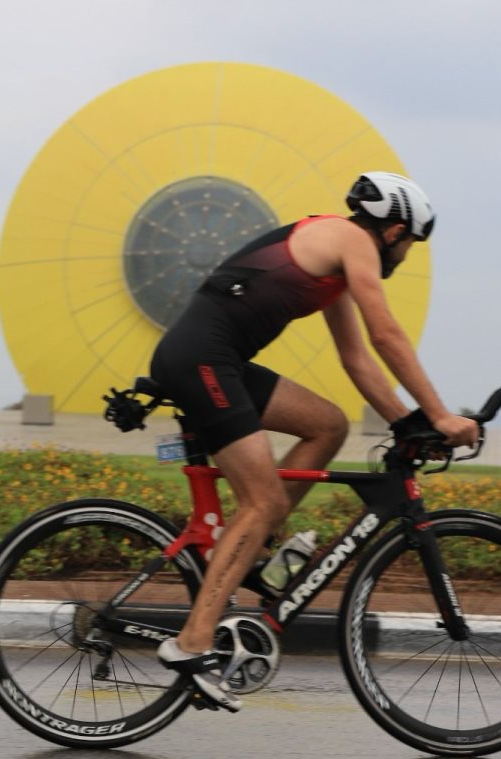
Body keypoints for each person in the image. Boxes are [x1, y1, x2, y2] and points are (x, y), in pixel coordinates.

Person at [150, 171, 479, 711]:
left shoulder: (333, 259)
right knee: (263, 500)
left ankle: (252, 549)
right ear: (395, 231)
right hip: (201, 360)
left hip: (219, 360)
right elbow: (387, 335)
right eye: (411, 245)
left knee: (328, 425)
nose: (405, 256)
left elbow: (357, 359)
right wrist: (440, 415)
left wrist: (406, 423)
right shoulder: (352, 241)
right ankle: (192, 643)